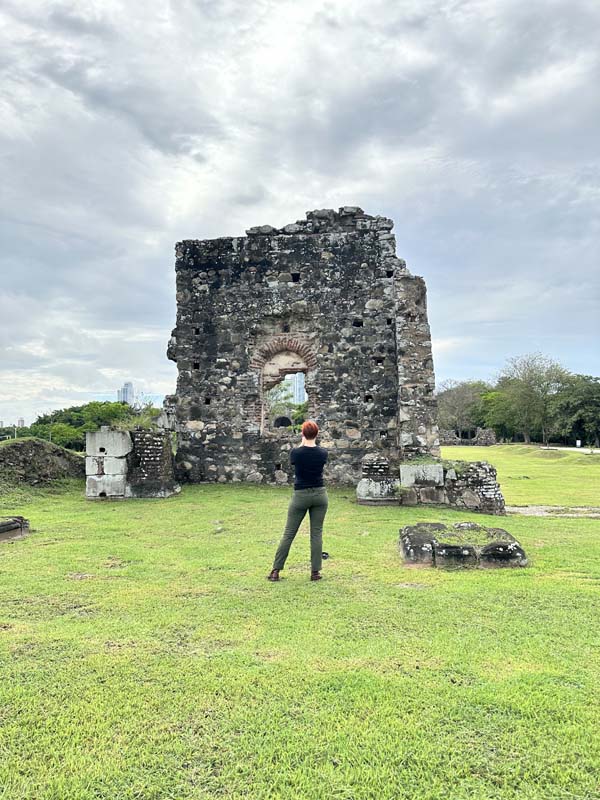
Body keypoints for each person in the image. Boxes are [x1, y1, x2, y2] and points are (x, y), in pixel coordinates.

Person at [267, 420, 328, 582]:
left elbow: (298, 457)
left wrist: (303, 440)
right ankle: (315, 572)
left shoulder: (296, 453)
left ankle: (275, 570)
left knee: (289, 533)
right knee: (316, 533)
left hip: (301, 495)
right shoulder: (323, 453)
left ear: (302, 434)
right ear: (317, 434)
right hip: (320, 494)